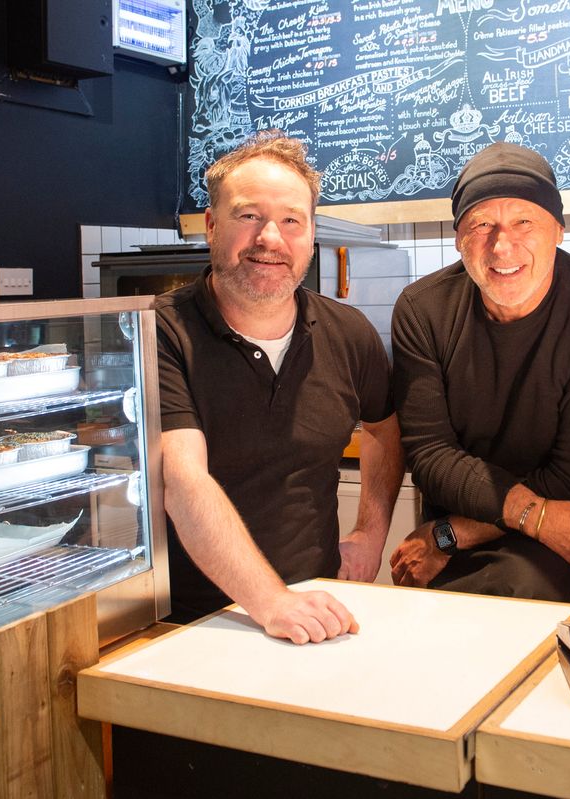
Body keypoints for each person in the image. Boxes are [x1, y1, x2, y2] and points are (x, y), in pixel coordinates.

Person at [156, 130, 404, 643]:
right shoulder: (161, 334)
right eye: (248, 216)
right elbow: (184, 482)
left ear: (311, 234)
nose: (270, 238)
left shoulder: (348, 333)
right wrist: (269, 601)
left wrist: (370, 534)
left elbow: (384, 427)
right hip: (185, 621)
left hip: (311, 609)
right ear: (210, 225)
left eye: (291, 220)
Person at [388, 142, 570, 603]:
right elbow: (429, 455)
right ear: (458, 238)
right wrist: (528, 515)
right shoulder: (422, 310)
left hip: (562, 542)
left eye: (524, 221)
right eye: (481, 224)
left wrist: (453, 532)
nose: (501, 244)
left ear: (559, 230)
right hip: (454, 550)